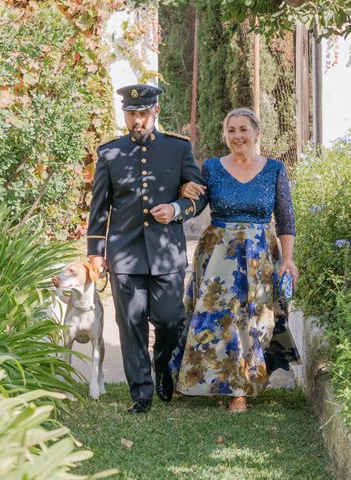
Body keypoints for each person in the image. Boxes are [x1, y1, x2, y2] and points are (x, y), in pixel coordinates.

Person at [169, 107, 300, 412]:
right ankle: (212, 382)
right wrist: (183, 190)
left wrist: (288, 261)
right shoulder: (212, 168)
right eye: (231, 130)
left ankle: (241, 387)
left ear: (256, 133)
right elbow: (197, 202)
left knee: (254, 319)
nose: (238, 136)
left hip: (259, 254)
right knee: (216, 320)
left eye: (243, 129)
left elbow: (285, 218)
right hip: (217, 254)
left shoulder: (275, 169)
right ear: (225, 135)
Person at [87, 84, 207, 413]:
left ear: (155, 112)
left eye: (143, 113)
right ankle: (141, 391)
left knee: (171, 319)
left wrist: (177, 209)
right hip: (124, 252)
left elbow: (199, 195)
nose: (137, 120)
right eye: (131, 114)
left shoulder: (178, 149)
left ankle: (164, 365)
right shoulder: (109, 154)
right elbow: (99, 208)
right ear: (125, 115)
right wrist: (95, 251)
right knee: (131, 322)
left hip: (167, 251)